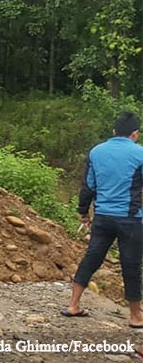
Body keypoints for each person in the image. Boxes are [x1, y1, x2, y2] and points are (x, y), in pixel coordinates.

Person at [62, 112, 143, 328]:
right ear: (135, 134)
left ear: (114, 132)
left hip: (103, 217)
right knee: (131, 265)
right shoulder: (140, 153)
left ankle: (73, 305)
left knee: (92, 258)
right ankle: (136, 317)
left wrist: (83, 212)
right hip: (130, 219)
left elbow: (88, 186)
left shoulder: (97, 151)